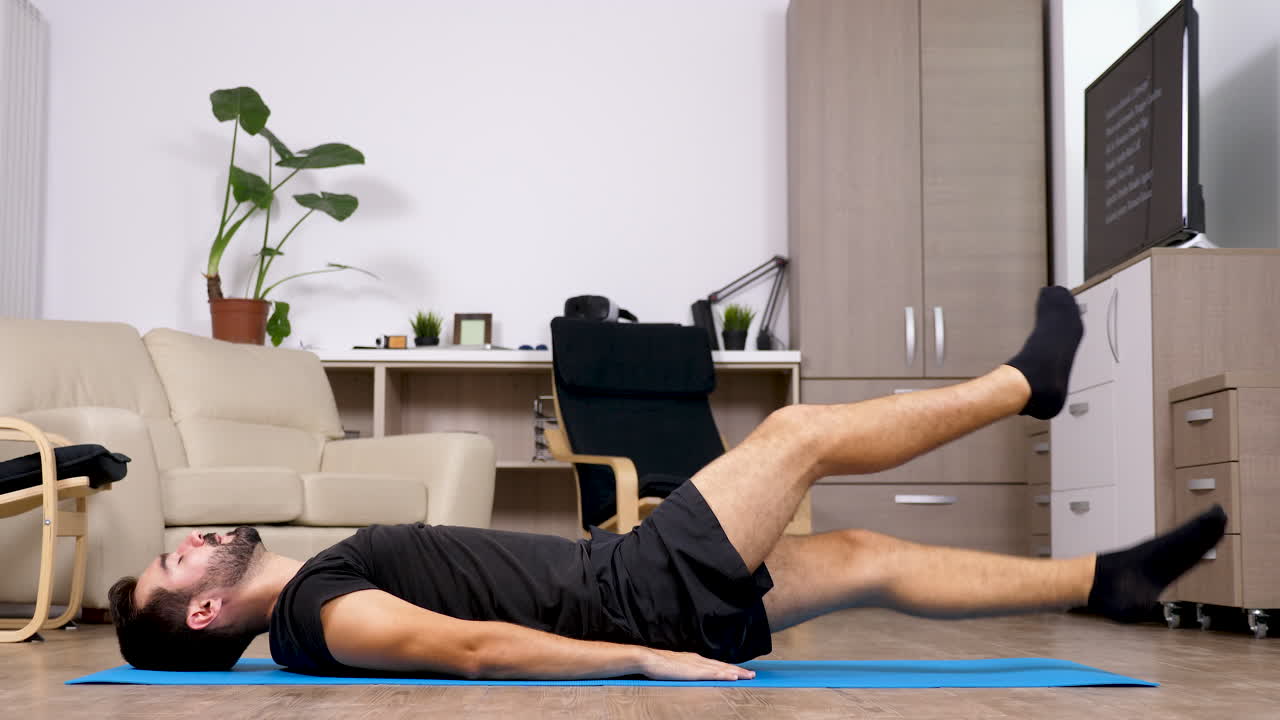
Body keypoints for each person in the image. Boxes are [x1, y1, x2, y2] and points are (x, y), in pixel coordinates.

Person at [108, 287, 1227, 680]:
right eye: (176, 562)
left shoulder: (315, 602)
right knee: (793, 432)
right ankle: (1020, 384)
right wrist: (646, 656)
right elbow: (479, 652)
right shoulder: (326, 614)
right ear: (205, 610)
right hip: (633, 588)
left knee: (863, 561)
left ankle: (1102, 581)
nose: (192, 538)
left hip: (632, 579)